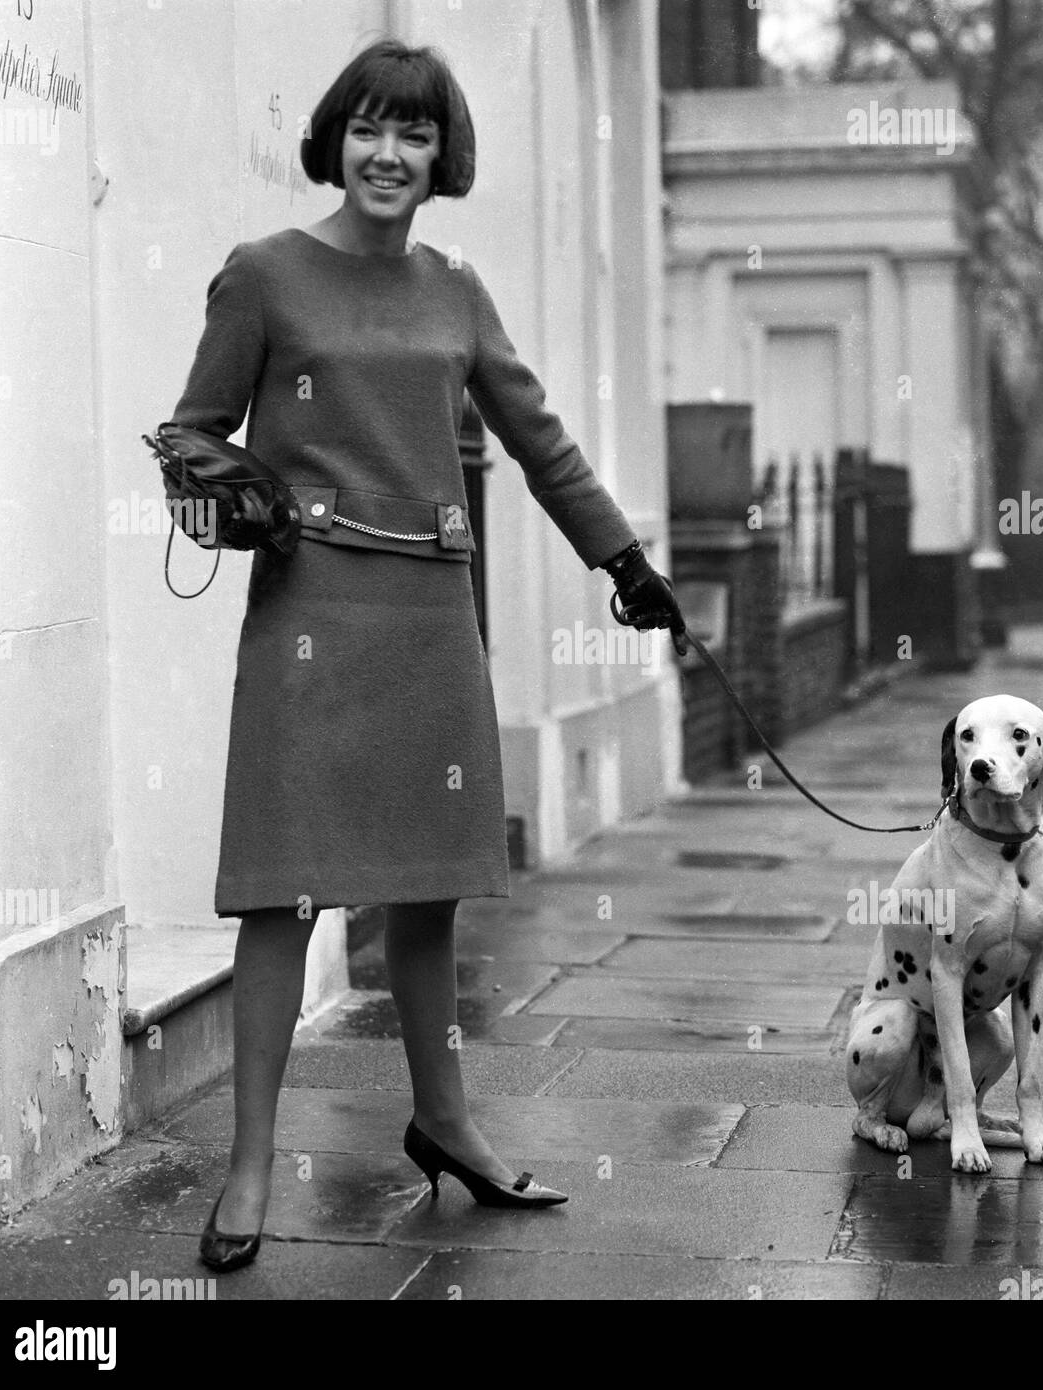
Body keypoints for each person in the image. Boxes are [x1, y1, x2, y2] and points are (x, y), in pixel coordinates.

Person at [168, 38, 684, 1273]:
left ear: (442, 156)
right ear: (335, 143)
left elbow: (541, 440)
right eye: (367, 130)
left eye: (413, 135)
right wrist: (231, 491)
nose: (389, 154)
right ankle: (247, 1167)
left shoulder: (457, 290)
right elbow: (192, 431)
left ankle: (445, 1121)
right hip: (309, 613)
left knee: (426, 895)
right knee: (283, 892)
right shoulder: (264, 277)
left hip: (432, 615)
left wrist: (625, 562)